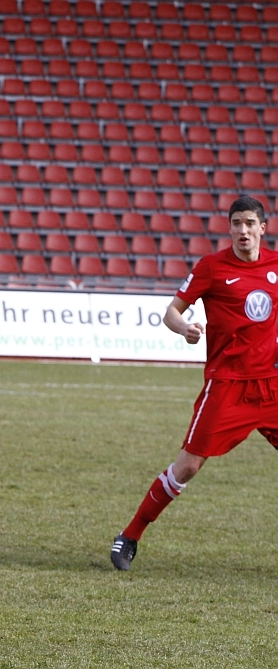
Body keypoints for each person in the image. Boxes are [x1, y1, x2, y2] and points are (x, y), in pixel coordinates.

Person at [111, 196, 278, 570]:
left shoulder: (275, 266)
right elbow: (171, 311)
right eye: (236, 223)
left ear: (263, 228)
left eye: (250, 223)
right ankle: (130, 536)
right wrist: (185, 327)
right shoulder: (212, 268)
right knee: (187, 467)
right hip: (228, 386)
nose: (243, 231)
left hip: (272, 385)